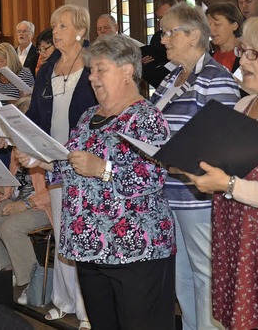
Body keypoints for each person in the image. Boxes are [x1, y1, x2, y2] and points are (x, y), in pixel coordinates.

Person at [17, 35, 176, 329]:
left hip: (134, 249)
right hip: (89, 246)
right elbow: (71, 164)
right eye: (91, 71)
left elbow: (154, 176)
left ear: (127, 70)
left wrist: (104, 169)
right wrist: (39, 161)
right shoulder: (89, 115)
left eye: (100, 69)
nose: (92, 77)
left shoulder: (146, 117)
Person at [184, 14, 258, 330]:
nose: (244, 60)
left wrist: (228, 183)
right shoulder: (243, 106)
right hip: (236, 240)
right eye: (243, 51)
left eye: (255, 53)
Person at [150, 3, 241, 330]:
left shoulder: (216, 78)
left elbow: (225, 143)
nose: (163, 40)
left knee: (206, 275)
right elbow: (152, 121)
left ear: (194, 35)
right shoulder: (171, 77)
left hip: (197, 195)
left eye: (169, 32)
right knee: (181, 274)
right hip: (166, 191)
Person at [25, 4, 96, 330]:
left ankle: (87, 309)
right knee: (63, 234)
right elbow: (38, 115)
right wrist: (24, 141)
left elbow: (100, 114)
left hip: (83, 161)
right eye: (54, 25)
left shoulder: (95, 64)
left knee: (83, 236)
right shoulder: (47, 67)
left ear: (80, 30)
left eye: (63, 25)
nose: (56, 30)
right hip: (52, 160)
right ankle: (64, 299)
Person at [0, 97, 51, 290]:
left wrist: (26, 204)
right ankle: (7, 270)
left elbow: (58, 188)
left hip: (43, 206)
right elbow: (15, 182)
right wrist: (0, 190)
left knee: (10, 227)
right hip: (18, 201)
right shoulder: (17, 145)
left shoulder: (46, 145)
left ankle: (33, 283)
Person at [143, 0, 177, 87]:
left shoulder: (185, 35)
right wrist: (143, 63)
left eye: (165, 17)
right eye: (160, 18)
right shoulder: (157, 37)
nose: (162, 21)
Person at [207, 1, 243, 73]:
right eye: (209, 24)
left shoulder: (245, 55)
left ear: (234, 26)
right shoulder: (207, 51)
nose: (211, 29)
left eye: (217, 24)